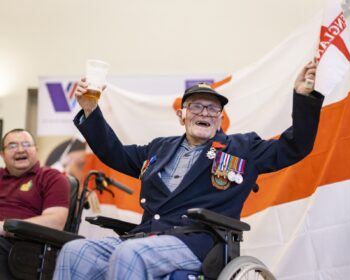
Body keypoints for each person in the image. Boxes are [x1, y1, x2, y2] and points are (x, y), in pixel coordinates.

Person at [54, 60, 324, 280]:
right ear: (181, 115)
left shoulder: (242, 148)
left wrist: (303, 98)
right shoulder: (159, 148)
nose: (204, 113)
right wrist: (90, 110)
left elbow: (295, 146)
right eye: (196, 106)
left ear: (220, 119)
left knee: (130, 255)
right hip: (146, 236)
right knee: (74, 251)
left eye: (212, 108)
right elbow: (114, 153)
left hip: (197, 242)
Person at [0, 128, 70, 280]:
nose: (20, 150)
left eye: (26, 144)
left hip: (24, 248)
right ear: (2, 154)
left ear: (35, 149)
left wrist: (4, 227)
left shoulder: (52, 178)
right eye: (12, 146)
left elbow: (56, 222)